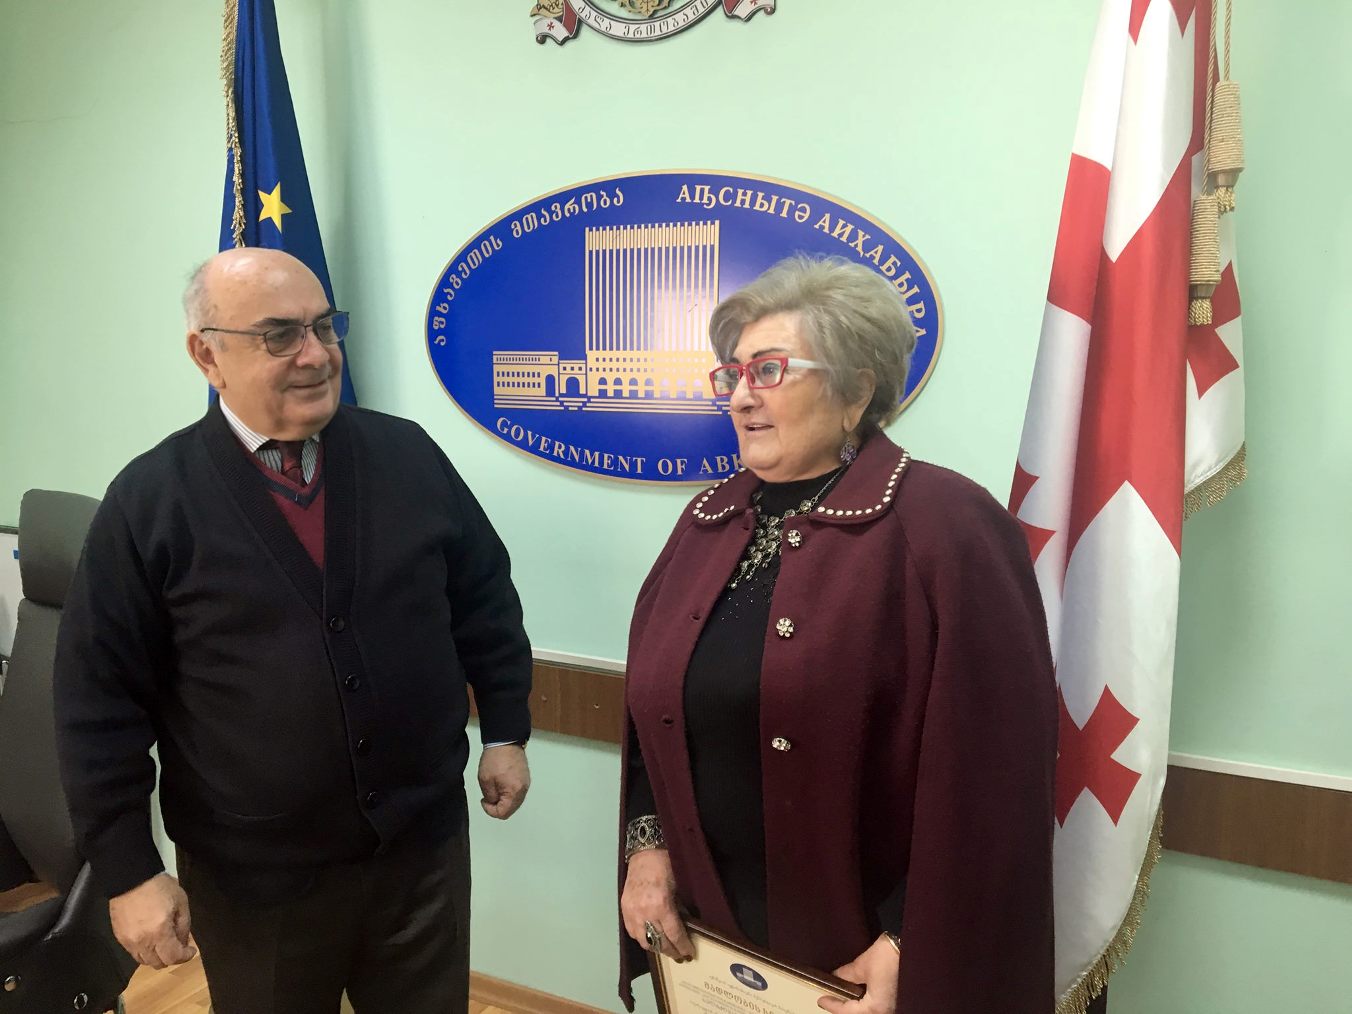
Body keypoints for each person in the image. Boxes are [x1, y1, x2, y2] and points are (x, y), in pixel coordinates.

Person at [54, 247, 532, 1014]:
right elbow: (96, 702)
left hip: (422, 852)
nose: (315, 354)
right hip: (254, 881)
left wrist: (506, 728)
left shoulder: (407, 454)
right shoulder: (149, 501)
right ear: (206, 355)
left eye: (323, 326)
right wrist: (129, 870)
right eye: (279, 335)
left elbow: (484, 598)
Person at [618, 255, 1057, 1014]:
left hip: (860, 951)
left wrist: (910, 939)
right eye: (733, 374)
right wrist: (647, 850)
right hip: (710, 939)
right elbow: (655, 718)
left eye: (769, 370)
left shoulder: (946, 525)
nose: (741, 396)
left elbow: (998, 774)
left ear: (856, 390)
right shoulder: (708, 519)